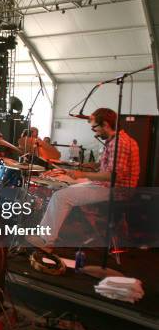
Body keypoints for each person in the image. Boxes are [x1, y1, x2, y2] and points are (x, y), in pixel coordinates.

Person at [27, 108, 140, 252]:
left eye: (95, 127)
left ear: (105, 124)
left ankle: (46, 241)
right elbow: (111, 165)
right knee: (63, 187)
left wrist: (81, 174)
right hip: (105, 185)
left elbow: (113, 176)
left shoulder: (119, 143)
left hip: (115, 190)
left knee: (61, 196)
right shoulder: (115, 141)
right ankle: (51, 232)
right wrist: (91, 165)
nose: (94, 131)